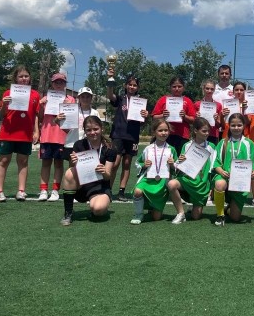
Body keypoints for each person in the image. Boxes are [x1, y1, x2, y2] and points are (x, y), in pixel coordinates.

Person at [0, 65, 40, 202]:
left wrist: (36, 131)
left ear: (30, 78)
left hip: (25, 134)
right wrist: (4, 104)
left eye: (26, 76)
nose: (24, 78)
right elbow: (3, 114)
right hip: (8, 133)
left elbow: (36, 115)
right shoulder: (8, 93)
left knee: (23, 161)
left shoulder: (35, 95)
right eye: (21, 76)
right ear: (16, 78)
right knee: (3, 161)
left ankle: (21, 191)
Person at [60, 116, 115, 225]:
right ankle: (68, 212)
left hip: (100, 186)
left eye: (96, 129)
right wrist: (73, 161)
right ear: (84, 131)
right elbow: (72, 168)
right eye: (88, 130)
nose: (92, 132)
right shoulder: (79, 144)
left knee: (98, 210)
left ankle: (96, 206)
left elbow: (108, 176)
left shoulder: (110, 147)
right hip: (83, 184)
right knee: (69, 173)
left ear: (102, 128)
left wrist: (104, 171)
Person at [106, 68, 149, 201]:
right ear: (125, 86)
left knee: (127, 163)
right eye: (130, 84)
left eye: (135, 85)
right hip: (118, 134)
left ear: (138, 87)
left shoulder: (141, 102)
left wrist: (146, 115)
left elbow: (142, 121)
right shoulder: (120, 99)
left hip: (132, 136)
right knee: (115, 163)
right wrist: (110, 79)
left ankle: (121, 191)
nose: (132, 87)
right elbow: (110, 95)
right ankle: (108, 190)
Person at [212, 113, 254, 226]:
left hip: (240, 182)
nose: (236, 128)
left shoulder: (248, 143)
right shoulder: (223, 143)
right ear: (229, 126)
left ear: (244, 126)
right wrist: (221, 171)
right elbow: (215, 162)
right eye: (233, 125)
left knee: (235, 218)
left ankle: (229, 207)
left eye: (239, 125)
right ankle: (220, 215)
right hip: (225, 177)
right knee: (219, 184)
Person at [130, 118, 179, 225]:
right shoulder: (148, 149)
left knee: (156, 218)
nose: (163, 133)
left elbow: (177, 169)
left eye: (166, 130)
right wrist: (144, 165)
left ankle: (152, 207)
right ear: (154, 132)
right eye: (160, 130)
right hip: (148, 179)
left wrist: (172, 164)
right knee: (137, 191)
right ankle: (138, 214)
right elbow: (137, 163)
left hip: (162, 183)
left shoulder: (171, 149)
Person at [166, 118, 216, 222]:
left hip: (201, 185)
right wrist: (178, 162)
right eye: (204, 131)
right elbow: (179, 167)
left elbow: (213, 168)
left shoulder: (211, 147)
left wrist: (211, 188)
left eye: (208, 131)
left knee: (195, 217)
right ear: (196, 131)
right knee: (171, 184)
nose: (207, 133)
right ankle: (181, 213)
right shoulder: (187, 145)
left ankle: (194, 204)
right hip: (187, 180)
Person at [37, 72, 75, 202]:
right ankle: (43, 190)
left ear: (65, 84)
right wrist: (41, 106)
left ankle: (55, 190)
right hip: (47, 135)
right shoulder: (45, 98)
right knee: (45, 163)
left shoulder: (70, 99)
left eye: (61, 82)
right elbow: (40, 117)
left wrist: (67, 106)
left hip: (61, 136)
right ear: (52, 84)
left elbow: (72, 120)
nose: (59, 84)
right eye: (56, 82)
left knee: (58, 164)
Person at [151, 76, 196, 154]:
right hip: (165, 134)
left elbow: (193, 120)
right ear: (170, 87)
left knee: (180, 159)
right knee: (164, 158)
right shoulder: (163, 99)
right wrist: (163, 115)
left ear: (183, 88)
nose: (177, 89)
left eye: (179, 86)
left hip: (182, 135)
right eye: (174, 86)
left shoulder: (187, 101)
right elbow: (154, 117)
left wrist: (184, 116)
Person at [61, 87, 99, 166]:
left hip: (89, 144)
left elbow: (98, 129)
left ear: (91, 98)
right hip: (72, 143)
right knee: (73, 168)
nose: (85, 99)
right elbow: (65, 128)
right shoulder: (72, 111)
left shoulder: (95, 112)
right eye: (83, 97)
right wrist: (58, 121)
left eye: (88, 97)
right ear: (78, 98)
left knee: (88, 168)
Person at [193, 79, 223, 145]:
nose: (209, 91)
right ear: (203, 89)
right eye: (207, 88)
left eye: (212, 89)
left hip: (213, 134)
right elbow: (193, 123)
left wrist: (215, 120)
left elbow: (219, 126)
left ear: (214, 90)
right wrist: (196, 118)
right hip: (199, 134)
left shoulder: (218, 105)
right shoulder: (197, 104)